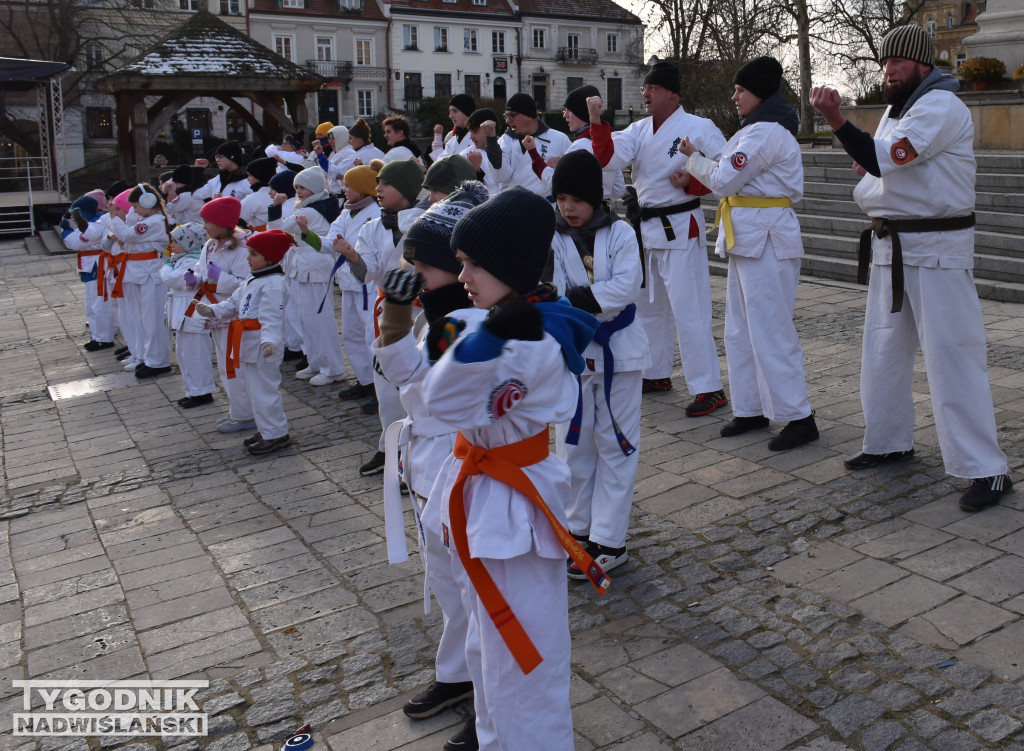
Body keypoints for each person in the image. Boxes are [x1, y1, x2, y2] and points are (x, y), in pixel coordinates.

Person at [423, 186, 606, 751]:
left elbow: (442, 402)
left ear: (510, 268)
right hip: (483, 494)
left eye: (475, 264)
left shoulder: (533, 342)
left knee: (523, 656)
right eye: (460, 264)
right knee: (487, 643)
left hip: (512, 510)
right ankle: (494, 738)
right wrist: (418, 319)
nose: (465, 276)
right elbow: (431, 362)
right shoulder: (497, 322)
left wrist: (474, 343)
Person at [810, 24, 1012, 512]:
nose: (888, 70)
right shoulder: (897, 110)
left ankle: (988, 468)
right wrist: (869, 161)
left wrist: (837, 119)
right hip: (893, 246)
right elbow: (883, 163)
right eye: (884, 63)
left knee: (953, 357)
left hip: (937, 250)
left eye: (897, 62)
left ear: (923, 64)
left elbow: (886, 160)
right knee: (882, 350)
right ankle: (889, 441)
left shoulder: (942, 106)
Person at [372, 181, 490, 751]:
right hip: (429, 462)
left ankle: (490, 697)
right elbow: (405, 376)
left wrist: (398, 319)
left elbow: (422, 390)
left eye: (420, 263)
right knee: (443, 575)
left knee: (476, 584)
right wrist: (397, 316)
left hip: (462, 461)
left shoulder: (469, 321)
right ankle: (457, 673)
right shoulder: (436, 313)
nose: (411, 271)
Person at [681, 56, 818, 451]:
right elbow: (725, 166)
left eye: (741, 90)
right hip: (749, 238)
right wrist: (702, 159)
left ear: (759, 93)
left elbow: (724, 178)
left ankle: (799, 415)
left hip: (767, 240)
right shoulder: (753, 131)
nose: (734, 95)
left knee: (771, 329)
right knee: (739, 331)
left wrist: (694, 160)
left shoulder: (766, 133)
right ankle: (751, 407)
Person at [588, 63, 729, 415]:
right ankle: (656, 373)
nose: (646, 93)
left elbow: (729, 173)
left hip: (681, 226)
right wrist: (595, 121)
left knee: (690, 311)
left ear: (672, 93)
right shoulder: (638, 129)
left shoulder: (699, 127)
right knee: (650, 308)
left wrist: (693, 181)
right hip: (646, 230)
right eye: (645, 88)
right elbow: (606, 157)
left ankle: (709, 387)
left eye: (652, 87)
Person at [549, 150, 648, 577]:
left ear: (595, 197)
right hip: (572, 354)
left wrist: (573, 300)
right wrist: (570, 301)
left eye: (576, 199)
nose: (568, 207)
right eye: (561, 198)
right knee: (574, 443)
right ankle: (577, 528)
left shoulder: (622, 232)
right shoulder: (551, 236)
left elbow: (627, 285)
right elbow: (547, 288)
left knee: (616, 442)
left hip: (618, 352)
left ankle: (610, 538)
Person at [342, 159, 424, 474]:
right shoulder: (372, 228)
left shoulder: (427, 221)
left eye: (386, 184)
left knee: (416, 386)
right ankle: (390, 448)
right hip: (389, 312)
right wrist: (352, 257)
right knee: (387, 389)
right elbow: (368, 273)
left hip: (423, 313)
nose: (378, 189)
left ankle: (414, 458)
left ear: (406, 189)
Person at [195, 229, 291, 456]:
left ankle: (276, 433)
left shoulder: (274, 283)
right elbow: (234, 302)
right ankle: (266, 428)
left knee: (265, 391)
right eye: (249, 252)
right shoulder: (253, 278)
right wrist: (214, 310)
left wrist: (270, 341)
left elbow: (272, 317)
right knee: (253, 390)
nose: (248, 258)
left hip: (264, 346)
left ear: (270, 258)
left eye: (254, 254)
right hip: (248, 342)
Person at [312, 162, 383, 405]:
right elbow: (331, 242)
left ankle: (381, 387)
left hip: (367, 283)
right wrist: (305, 235)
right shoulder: (346, 212)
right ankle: (365, 380)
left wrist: (349, 251)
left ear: (363, 189)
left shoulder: (376, 214)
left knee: (372, 335)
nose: (344, 189)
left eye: (349, 186)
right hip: (348, 282)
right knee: (352, 334)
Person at [195, 196, 259, 433]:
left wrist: (218, 277)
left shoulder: (242, 248)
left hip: (232, 314)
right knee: (224, 365)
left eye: (208, 222)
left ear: (223, 223)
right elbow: (202, 268)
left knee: (236, 365)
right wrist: (197, 275)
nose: (205, 227)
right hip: (215, 312)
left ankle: (246, 414)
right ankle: (238, 410)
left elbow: (245, 284)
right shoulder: (211, 244)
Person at [279, 166, 344, 387]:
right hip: (305, 267)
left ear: (314, 188)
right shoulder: (311, 206)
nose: (298, 191)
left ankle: (332, 367)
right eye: (296, 186)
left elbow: (282, 226)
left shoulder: (309, 211)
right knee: (306, 318)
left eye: (303, 187)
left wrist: (279, 206)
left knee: (319, 320)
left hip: (314, 265)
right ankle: (316, 362)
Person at [106, 183, 172, 379]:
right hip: (139, 271)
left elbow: (126, 235)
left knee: (152, 319)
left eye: (136, 206)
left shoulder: (154, 221)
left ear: (148, 202)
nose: (133, 211)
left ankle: (158, 361)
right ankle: (149, 357)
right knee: (143, 319)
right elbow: (129, 235)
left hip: (150, 272)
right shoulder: (147, 219)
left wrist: (113, 217)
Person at [526, 85, 625, 202]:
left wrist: (534, 154)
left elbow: (557, 184)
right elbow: (619, 188)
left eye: (569, 110)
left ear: (580, 112)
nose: (565, 115)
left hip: (583, 214)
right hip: (603, 212)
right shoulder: (609, 144)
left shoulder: (579, 147)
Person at [160, 222, 215, 409]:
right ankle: (192, 390)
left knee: (196, 354)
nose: (172, 245)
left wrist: (166, 266)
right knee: (184, 354)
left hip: (192, 312)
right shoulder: (181, 259)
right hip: (182, 312)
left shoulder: (193, 261)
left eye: (176, 241)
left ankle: (203, 391)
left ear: (190, 243)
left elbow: (173, 280)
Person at [60, 193, 116, 352]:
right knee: (91, 305)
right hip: (90, 266)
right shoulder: (90, 223)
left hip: (97, 266)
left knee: (100, 304)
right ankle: (97, 336)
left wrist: (65, 231)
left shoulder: (96, 224)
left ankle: (104, 338)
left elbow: (76, 243)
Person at [492, 93, 571, 197]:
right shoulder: (504, 141)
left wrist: (558, 170)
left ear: (528, 115)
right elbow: (500, 177)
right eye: (506, 116)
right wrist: (490, 142)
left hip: (546, 208)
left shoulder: (559, 139)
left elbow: (575, 175)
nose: (507, 121)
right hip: (512, 208)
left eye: (512, 115)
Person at [430, 93, 476, 161]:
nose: (450, 116)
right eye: (450, 111)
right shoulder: (452, 140)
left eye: (455, 111)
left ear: (467, 112)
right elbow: (440, 163)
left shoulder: (478, 139)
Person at [239, 156, 277, 232]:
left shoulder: (252, 199)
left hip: (261, 239)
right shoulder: (284, 193)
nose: (248, 179)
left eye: (250, 175)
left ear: (259, 175)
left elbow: (238, 223)